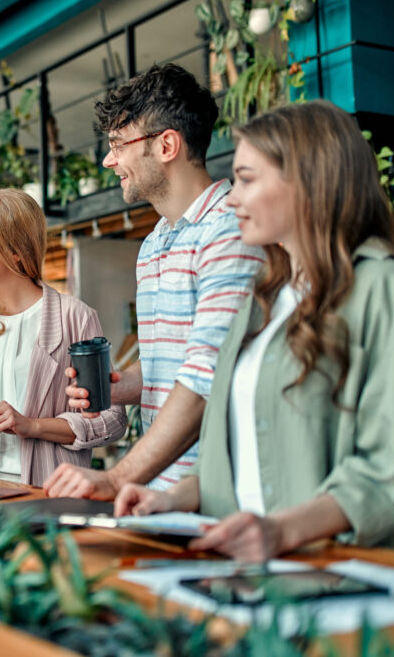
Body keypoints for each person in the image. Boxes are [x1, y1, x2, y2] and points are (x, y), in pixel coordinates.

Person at [114, 100, 394, 560]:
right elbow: (241, 453)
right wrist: (169, 499)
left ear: (307, 181)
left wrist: (280, 531)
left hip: (346, 578)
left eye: (246, 179)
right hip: (259, 571)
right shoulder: (265, 300)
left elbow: (386, 468)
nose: (234, 197)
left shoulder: (382, 288)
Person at [44, 64, 264, 499]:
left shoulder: (229, 230)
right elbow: (177, 359)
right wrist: (125, 384)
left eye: (118, 146)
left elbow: (207, 377)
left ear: (167, 145)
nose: (109, 161)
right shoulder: (153, 245)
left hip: (220, 492)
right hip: (160, 492)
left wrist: (116, 477)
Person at [0, 188, 127, 486]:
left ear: (14, 249)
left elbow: (112, 420)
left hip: (42, 494)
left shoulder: (73, 317)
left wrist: (31, 425)